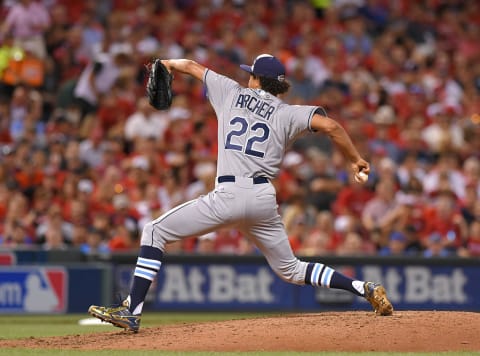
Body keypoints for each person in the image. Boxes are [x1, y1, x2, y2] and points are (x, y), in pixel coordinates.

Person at [88, 54, 393, 332]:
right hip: (262, 199)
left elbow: (191, 66)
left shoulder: (230, 91)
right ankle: (363, 288)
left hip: (229, 194)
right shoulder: (288, 113)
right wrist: (355, 159)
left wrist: (166, 63)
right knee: (291, 269)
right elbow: (332, 126)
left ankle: (133, 310)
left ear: (255, 79)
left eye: (251, 74)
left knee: (154, 231)